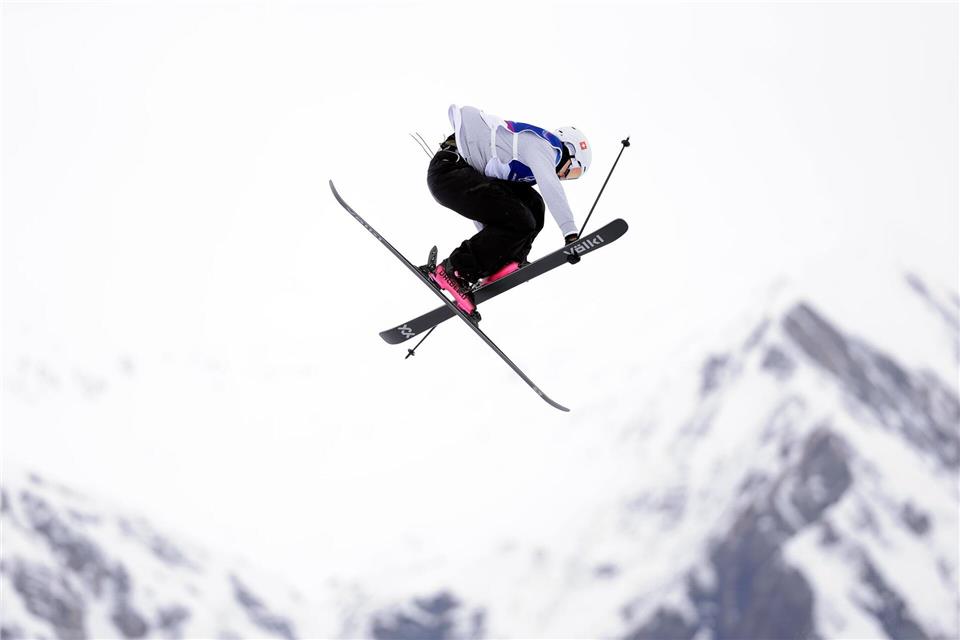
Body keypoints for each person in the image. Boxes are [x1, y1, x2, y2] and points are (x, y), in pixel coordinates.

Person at [426, 104, 592, 318]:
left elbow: (493, 210)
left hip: (463, 175)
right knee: (521, 218)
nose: (566, 176)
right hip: (449, 172)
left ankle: (508, 261)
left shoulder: (524, 164)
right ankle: (452, 270)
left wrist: (492, 256)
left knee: (532, 204)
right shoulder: (545, 146)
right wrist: (571, 235)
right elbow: (550, 186)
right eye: (573, 172)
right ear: (570, 151)